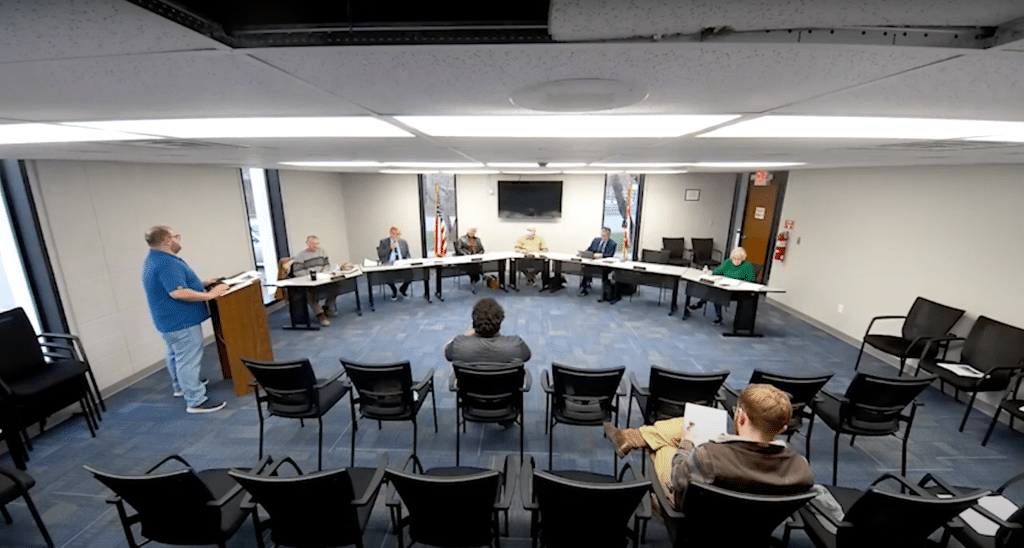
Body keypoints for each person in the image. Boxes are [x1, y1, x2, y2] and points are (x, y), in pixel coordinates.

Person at [603, 384, 813, 511]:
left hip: (694, 513)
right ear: (783, 428)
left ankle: (633, 439)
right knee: (683, 425)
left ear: (740, 417)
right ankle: (629, 437)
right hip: (751, 524)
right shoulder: (801, 469)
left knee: (665, 447)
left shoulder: (709, 457)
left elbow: (678, 478)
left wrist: (686, 444)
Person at [141, 225, 229, 414]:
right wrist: (210, 295)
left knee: (175, 355)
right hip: (181, 321)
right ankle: (196, 400)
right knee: (187, 359)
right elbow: (177, 292)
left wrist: (201, 284)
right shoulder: (166, 262)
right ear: (167, 240)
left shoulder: (154, 259)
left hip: (167, 321)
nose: (179, 239)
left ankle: (181, 386)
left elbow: (174, 285)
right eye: (176, 236)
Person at [444, 298, 531, 364]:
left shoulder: (459, 345)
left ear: (474, 321)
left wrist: (467, 335)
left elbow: (446, 352)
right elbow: (527, 356)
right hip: (506, 388)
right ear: (500, 322)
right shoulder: (516, 345)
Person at [688, 246, 756, 324]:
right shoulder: (728, 262)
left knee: (716, 293)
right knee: (716, 291)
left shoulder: (748, 266)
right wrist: (711, 272)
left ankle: (701, 304)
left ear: (743, 258)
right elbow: (718, 270)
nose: (736, 261)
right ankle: (717, 316)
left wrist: (740, 283)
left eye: (739, 259)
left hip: (737, 292)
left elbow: (751, 280)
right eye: (734, 258)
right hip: (724, 287)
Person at [290, 235, 339, 327]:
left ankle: (327, 308)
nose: (316, 246)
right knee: (310, 294)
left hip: (322, 278)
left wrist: (324, 271)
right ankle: (320, 315)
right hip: (309, 281)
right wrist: (310, 274)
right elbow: (297, 271)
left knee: (336, 287)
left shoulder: (322, 251)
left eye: (317, 244)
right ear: (308, 244)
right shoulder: (301, 256)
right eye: (313, 244)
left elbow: (327, 265)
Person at [376, 226, 412, 300]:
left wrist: (408, 261)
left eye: (398, 234)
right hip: (389, 264)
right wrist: (390, 248)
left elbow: (407, 254)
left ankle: (403, 289)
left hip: (401, 264)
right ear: (390, 234)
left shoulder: (403, 242)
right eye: (394, 234)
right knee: (387, 277)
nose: (396, 235)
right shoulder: (383, 242)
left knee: (411, 275)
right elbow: (380, 254)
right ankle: (394, 290)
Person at [579, 227, 617, 296]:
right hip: (593, 262)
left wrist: (601, 255)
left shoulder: (612, 243)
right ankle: (585, 287)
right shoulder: (596, 240)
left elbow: (610, 254)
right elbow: (589, 249)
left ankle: (604, 291)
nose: (603, 237)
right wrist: (586, 254)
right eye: (602, 235)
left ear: (608, 235)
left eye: (604, 236)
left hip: (604, 264)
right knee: (586, 268)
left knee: (604, 271)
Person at [456, 227, 485, 293]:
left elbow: (482, 249)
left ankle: (475, 280)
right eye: (471, 231)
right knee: (474, 266)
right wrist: (466, 254)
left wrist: (479, 254)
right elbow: (459, 249)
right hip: (467, 259)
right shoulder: (462, 238)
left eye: (474, 232)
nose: (472, 233)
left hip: (476, 258)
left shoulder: (477, 239)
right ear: (468, 232)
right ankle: (481, 275)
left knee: (475, 264)